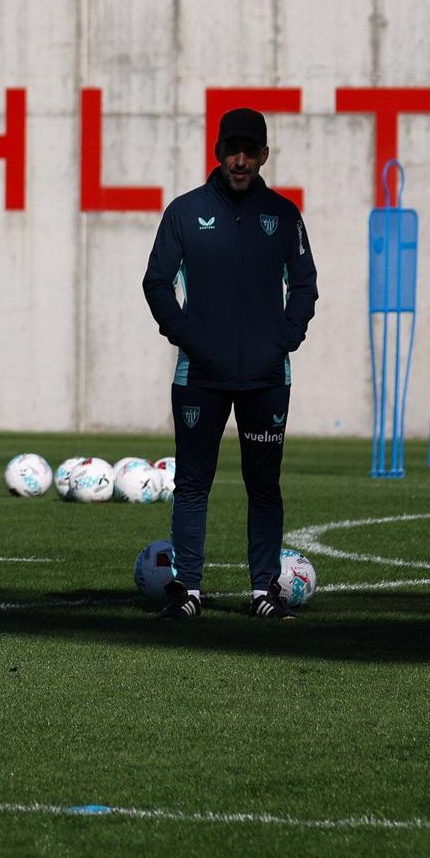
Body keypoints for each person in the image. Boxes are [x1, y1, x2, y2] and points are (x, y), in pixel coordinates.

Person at [142, 107, 318, 621]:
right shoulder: (184, 212)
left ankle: (265, 592)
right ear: (218, 153)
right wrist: (186, 335)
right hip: (199, 376)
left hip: (267, 377)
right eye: (231, 150)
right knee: (193, 483)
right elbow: (156, 281)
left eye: (250, 151)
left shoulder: (284, 215)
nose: (240, 161)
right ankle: (188, 591)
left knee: (264, 484)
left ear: (264, 155)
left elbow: (304, 283)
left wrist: (287, 336)